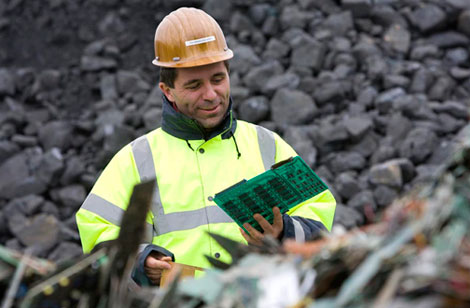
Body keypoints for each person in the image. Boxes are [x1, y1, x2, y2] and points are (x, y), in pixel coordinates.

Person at [75, 7, 336, 286]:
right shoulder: (136, 160)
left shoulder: (268, 145)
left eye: (218, 79)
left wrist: (283, 231)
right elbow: (97, 235)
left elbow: (321, 229)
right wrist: (141, 261)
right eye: (194, 85)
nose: (211, 95)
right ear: (167, 90)